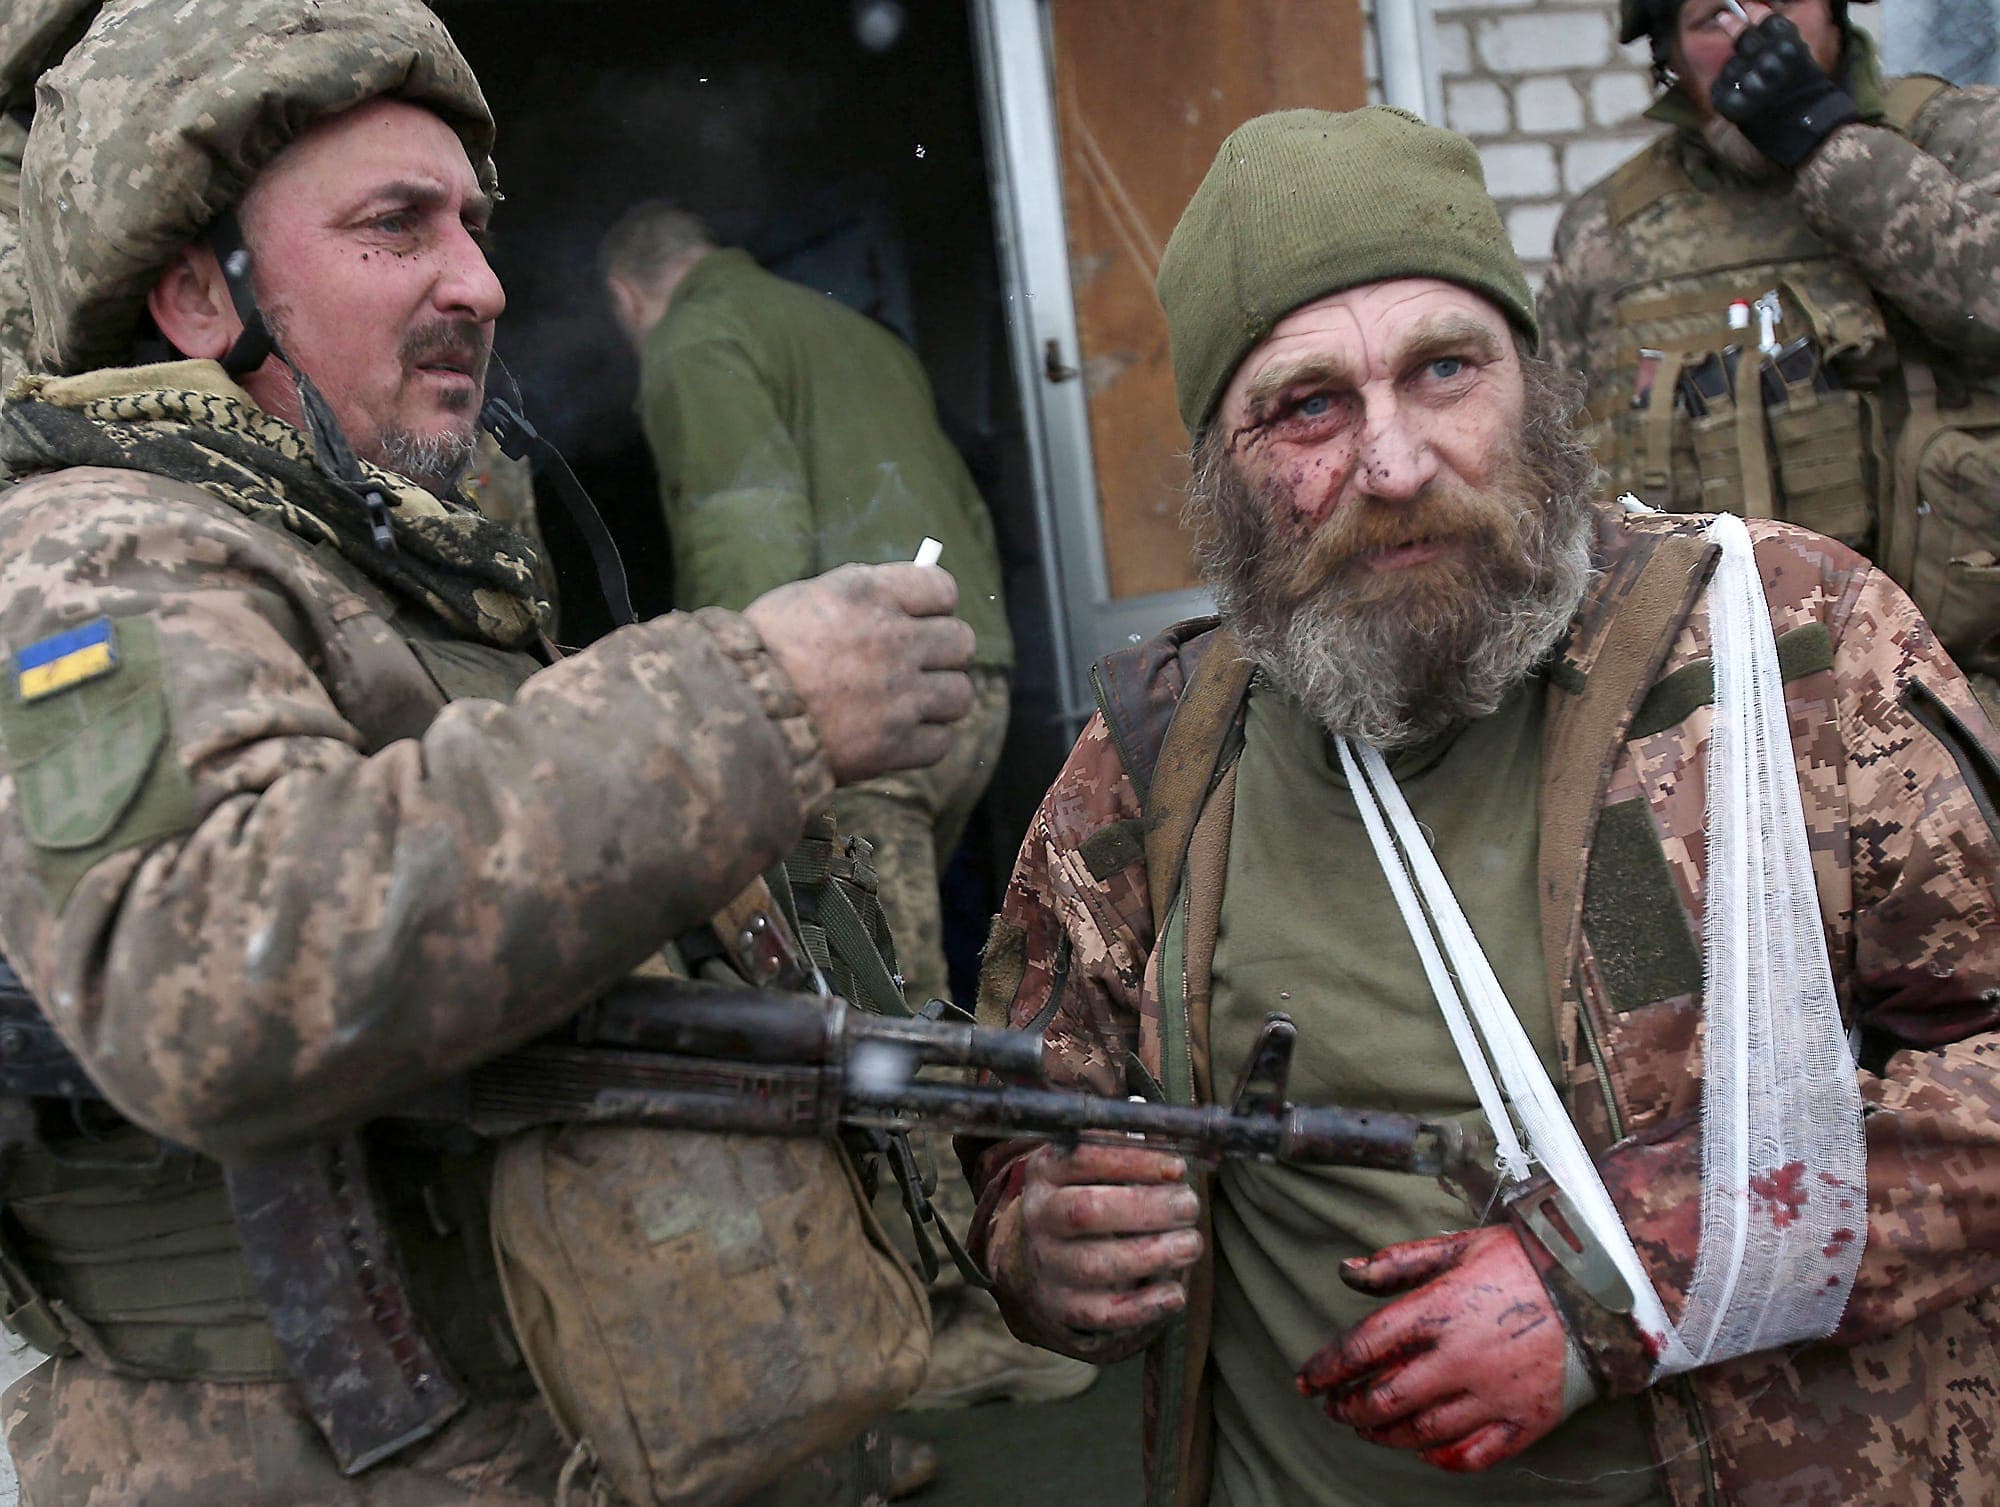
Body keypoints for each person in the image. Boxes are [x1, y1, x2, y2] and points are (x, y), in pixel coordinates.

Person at [0, 1, 975, 1502]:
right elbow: (210, 969)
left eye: (472, 224)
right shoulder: (97, 551)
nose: (481, 281)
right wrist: (754, 697)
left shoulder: (384, 548)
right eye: (397, 226)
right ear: (197, 297)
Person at [963, 105, 2000, 1507]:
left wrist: (1617, 1272)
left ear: (1535, 384)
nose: (1393, 465)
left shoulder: (1793, 650)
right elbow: (1019, 1121)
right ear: (1222, 466)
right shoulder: (1154, 762)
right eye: (1308, 406)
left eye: (1443, 369)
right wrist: (1040, 1241)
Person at [601, 206, 1086, 1411]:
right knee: (913, 986)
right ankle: (988, 1271)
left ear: (627, 298)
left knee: (869, 1016)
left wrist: (735, 717)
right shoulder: (846, 330)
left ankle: (951, 1316)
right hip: (961, 684)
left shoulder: (696, 338)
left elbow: (741, 529)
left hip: (858, 712)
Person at [1539, 0, 2000, 695]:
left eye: (1783, 0)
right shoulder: (1606, 231)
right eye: (1712, 16)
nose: (1757, 30)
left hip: (1960, 690)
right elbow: (1562, 481)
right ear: (1669, 57)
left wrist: (1820, 136)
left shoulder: (1958, 137)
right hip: (1723, 708)